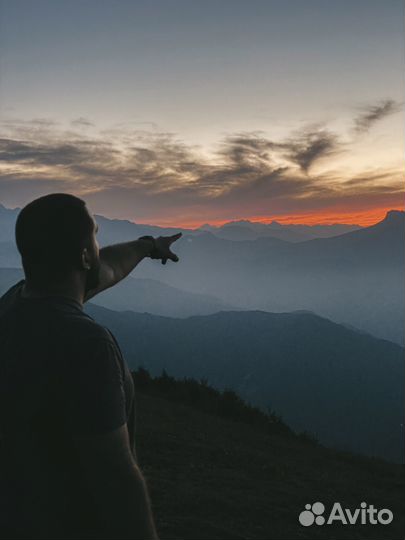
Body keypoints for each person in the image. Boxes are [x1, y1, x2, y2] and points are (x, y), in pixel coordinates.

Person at [0, 193, 182, 540]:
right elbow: (117, 480)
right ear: (84, 256)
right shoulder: (86, 344)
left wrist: (148, 246)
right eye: (96, 236)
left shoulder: (15, 303)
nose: (101, 246)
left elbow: (107, 268)